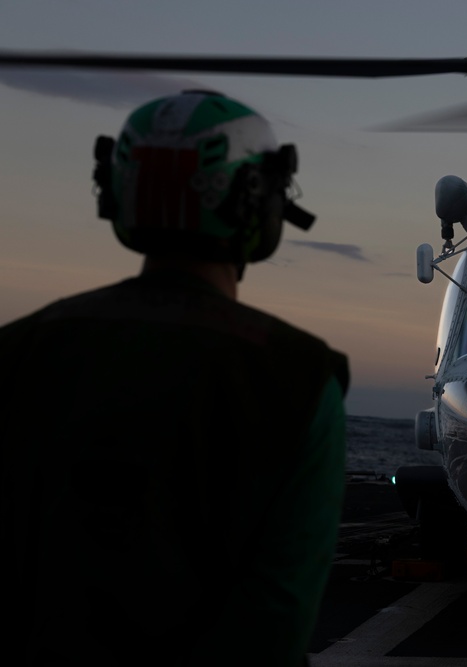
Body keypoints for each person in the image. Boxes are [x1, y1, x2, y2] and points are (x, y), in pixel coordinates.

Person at [0, 90, 349, 666]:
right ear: (253, 199)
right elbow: (275, 621)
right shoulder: (300, 376)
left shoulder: (17, 348)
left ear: (117, 194)